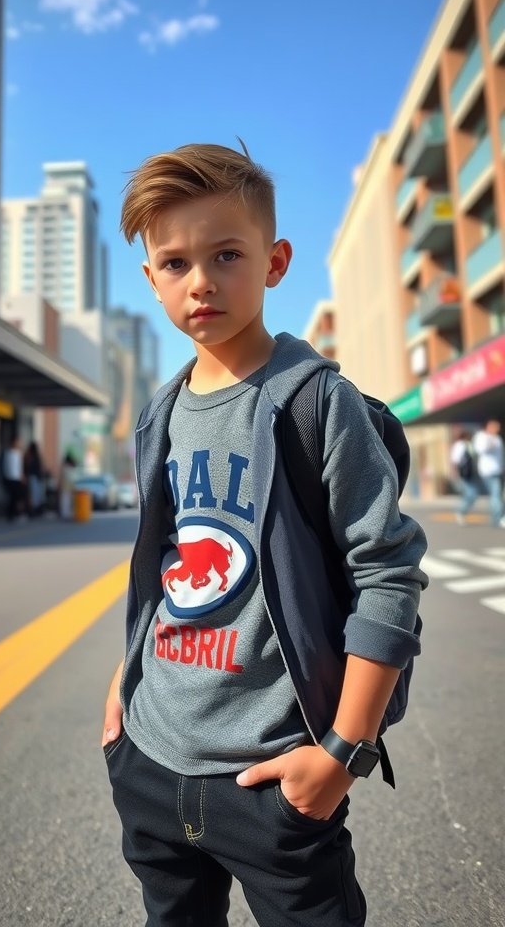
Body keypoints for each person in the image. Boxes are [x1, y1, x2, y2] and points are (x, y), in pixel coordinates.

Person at [101, 142, 428, 927]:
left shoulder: (316, 403)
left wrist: (344, 753)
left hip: (273, 776)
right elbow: (164, 566)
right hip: (151, 755)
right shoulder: (161, 412)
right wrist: (125, 687)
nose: (201, 281)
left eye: (226, 254)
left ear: (275, 262)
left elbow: (388, 573)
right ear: (152, 281)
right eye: (175, 264)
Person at [472, 420, 505, 528]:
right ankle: (499, 517)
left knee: (498, 494)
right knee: (496, 494)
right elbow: (481, 450)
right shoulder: (482, 437)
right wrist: (490, 439)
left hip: (498, 471)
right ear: (488, 426)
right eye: (495, 426)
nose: (497, 429)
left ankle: (497, 517)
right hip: (488, 471)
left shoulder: (497, 438)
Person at [450, 429, 478, 525]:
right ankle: (460, 511)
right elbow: (456, 459)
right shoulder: (460, 445)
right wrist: (456, 472)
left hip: (471, 473)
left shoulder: (469, 445)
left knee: (470, 494)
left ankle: (461, 511)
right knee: (471, 494)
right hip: (464, 473)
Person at [2, 437, 27, 522]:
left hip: (16, 478)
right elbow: (13, 468)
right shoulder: (9, 454)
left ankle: (15, 514)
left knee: (17, 497)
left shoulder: (17, 453)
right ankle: (13, 514)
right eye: (17, 443)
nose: (19, 445)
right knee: (14, 497)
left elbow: (19, 467)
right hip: (12, 478)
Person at [23, 441, 45, 517]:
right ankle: (32, 511)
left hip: (35, 478)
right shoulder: (30, 456)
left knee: (36, 496)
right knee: (34, 496)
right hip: (34, 478)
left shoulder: (33, 456)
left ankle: (35, 511)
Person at [58, 453, 77, 520]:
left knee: (65, 501)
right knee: (66, 501)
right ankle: (66, 514)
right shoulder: (69, 469)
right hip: (67, 487)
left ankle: (65, 513)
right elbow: (71, 479)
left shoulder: (65, 468)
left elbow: (62, 478)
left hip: (66, 487)